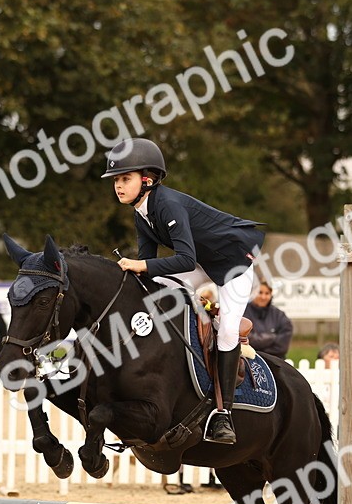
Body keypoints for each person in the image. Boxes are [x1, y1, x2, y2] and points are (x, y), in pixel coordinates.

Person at [105, 137, 263, 445]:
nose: (118, 186)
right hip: (202, 262)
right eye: (116, 180)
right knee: (157, 290)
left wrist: (141, 267)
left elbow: (184, 259)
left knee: (228, 331)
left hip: (233, 265)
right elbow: (150, 266)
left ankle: (223, 415)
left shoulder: (168, 204)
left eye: (125, 178)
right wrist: (137, 275)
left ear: (147, 180)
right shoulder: (142, 211)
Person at [244, 281, 294, 359]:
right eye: (260, 292)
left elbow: (283, 346)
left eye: (267, 293)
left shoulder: (280, 316)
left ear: (271, 295)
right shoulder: (243, 314)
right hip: (249, 362)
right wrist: (273, 337)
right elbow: (244, 340)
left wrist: (258, 346)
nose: (263, 297)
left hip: (276, 363)